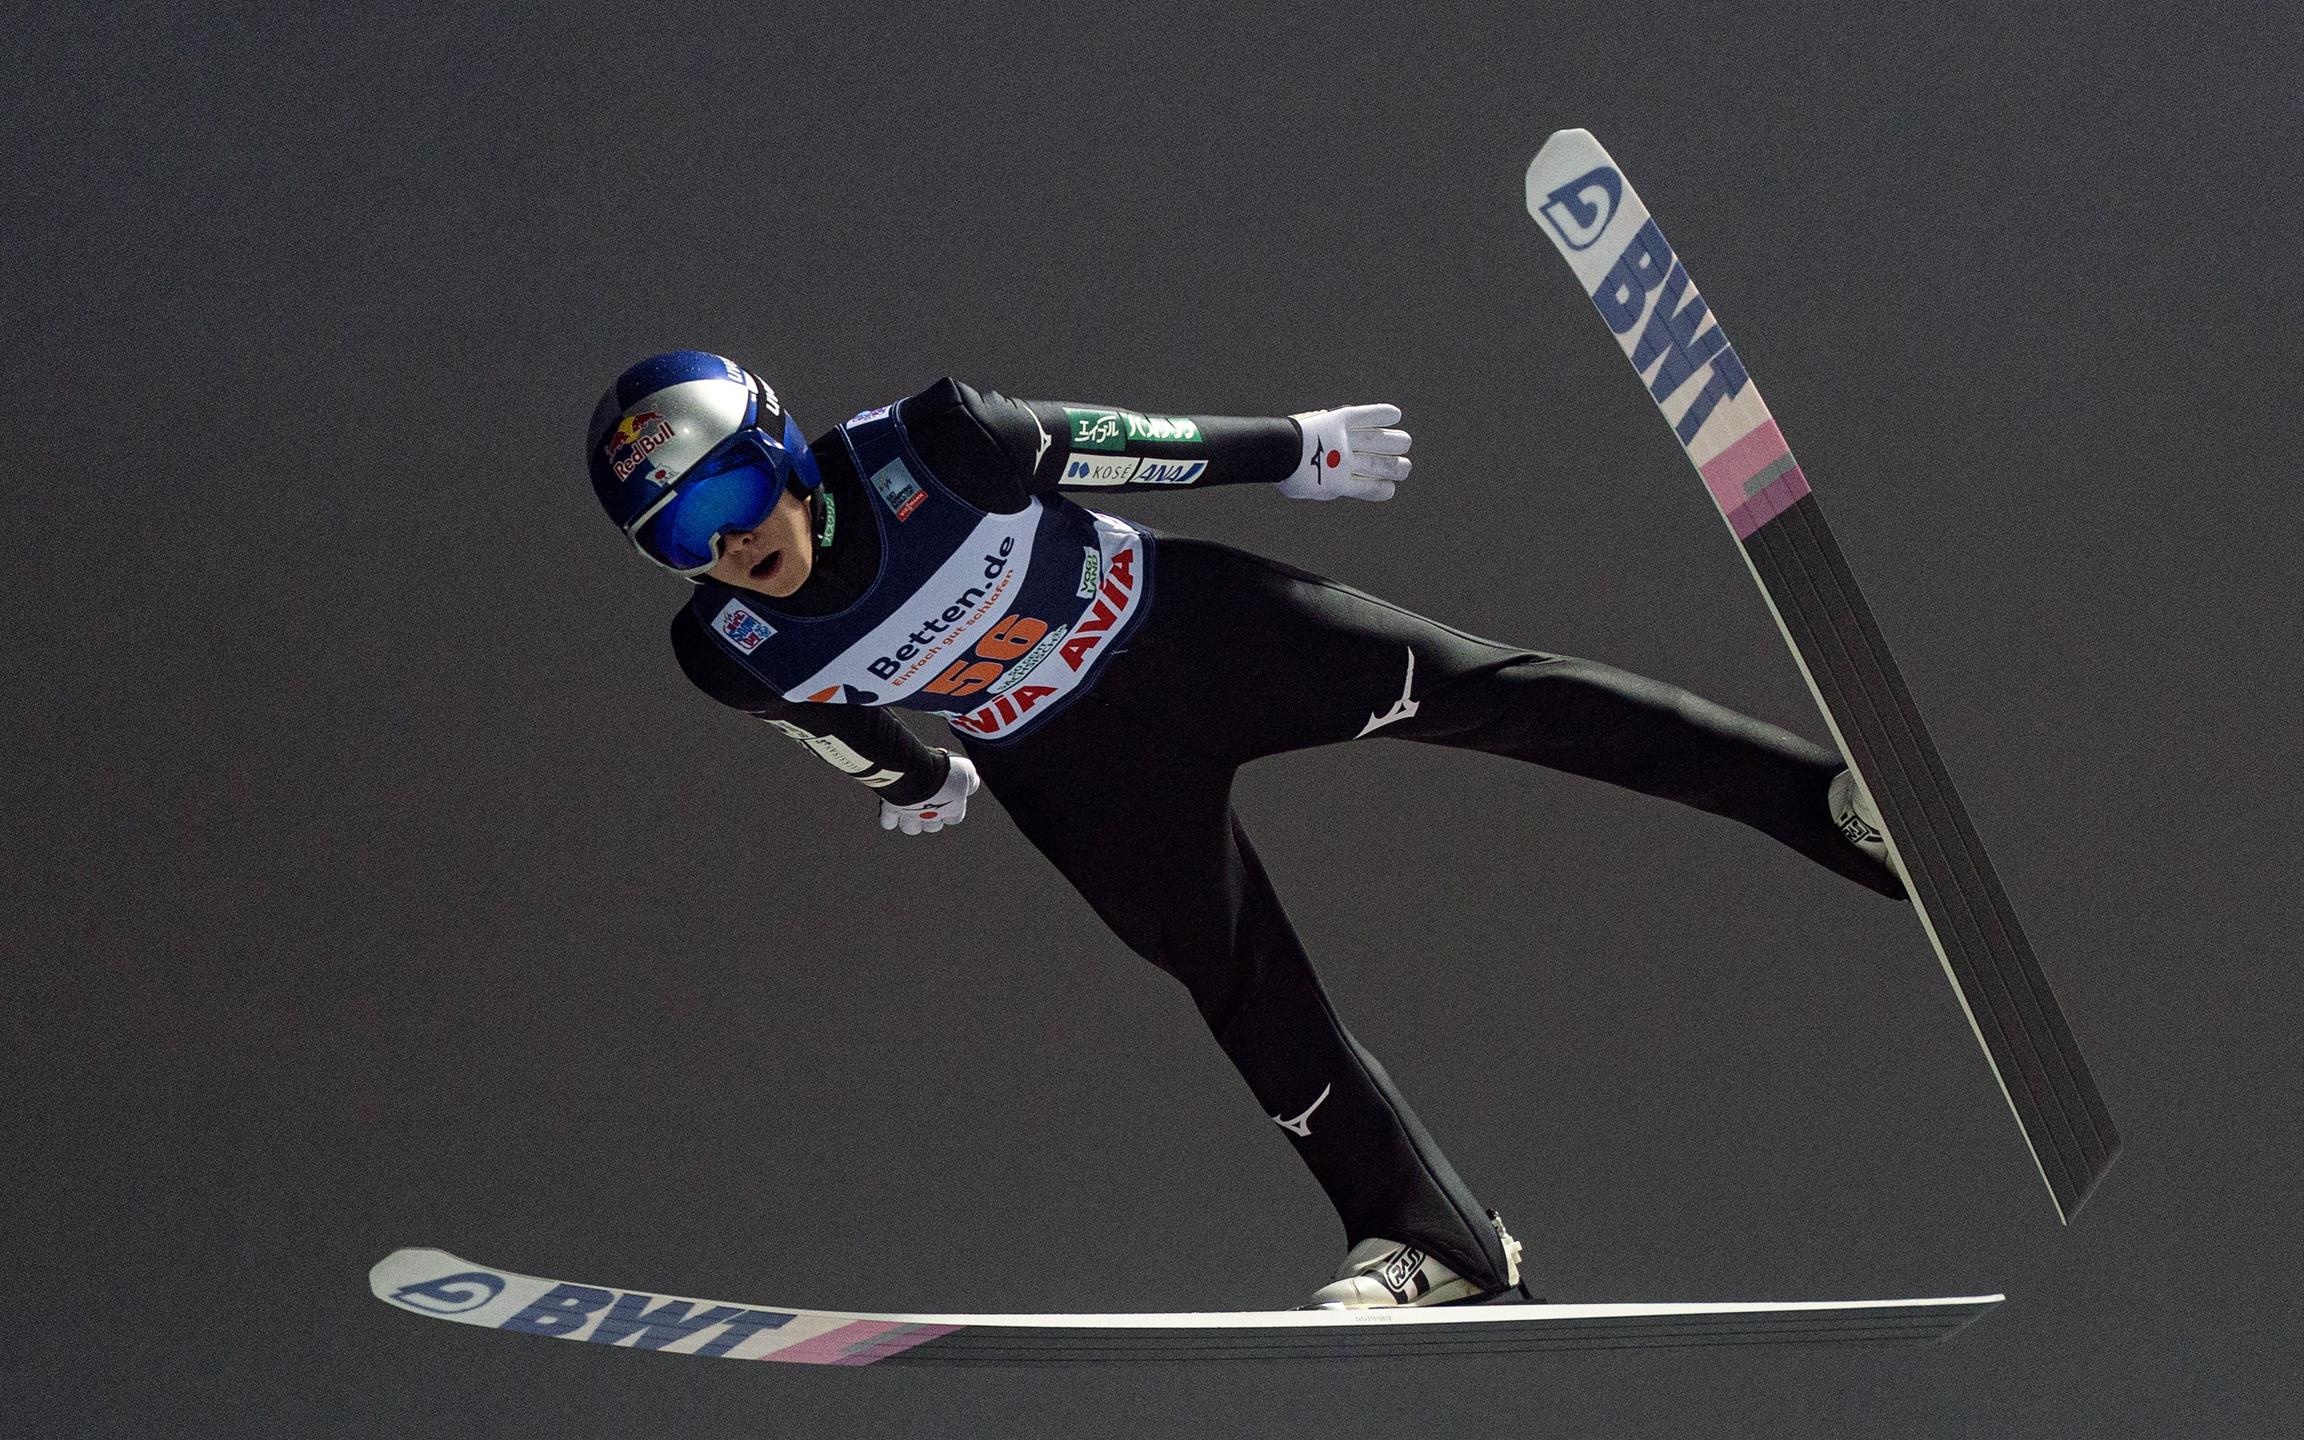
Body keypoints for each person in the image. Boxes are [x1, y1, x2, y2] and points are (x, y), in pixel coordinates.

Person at [587, 350, 1903, 1308]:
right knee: (1234, 982)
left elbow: (1118, 442)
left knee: (1490, 693)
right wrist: (910, 785)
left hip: (1193, 640)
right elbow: (825, 714)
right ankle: (1433, 1241)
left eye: (730, 497)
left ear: (785, 451)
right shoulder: (731, 647)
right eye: (677, 538)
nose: (726, 545)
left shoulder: (932, 447)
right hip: (1075, 769)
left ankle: (1830, 809)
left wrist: (1298, 449)